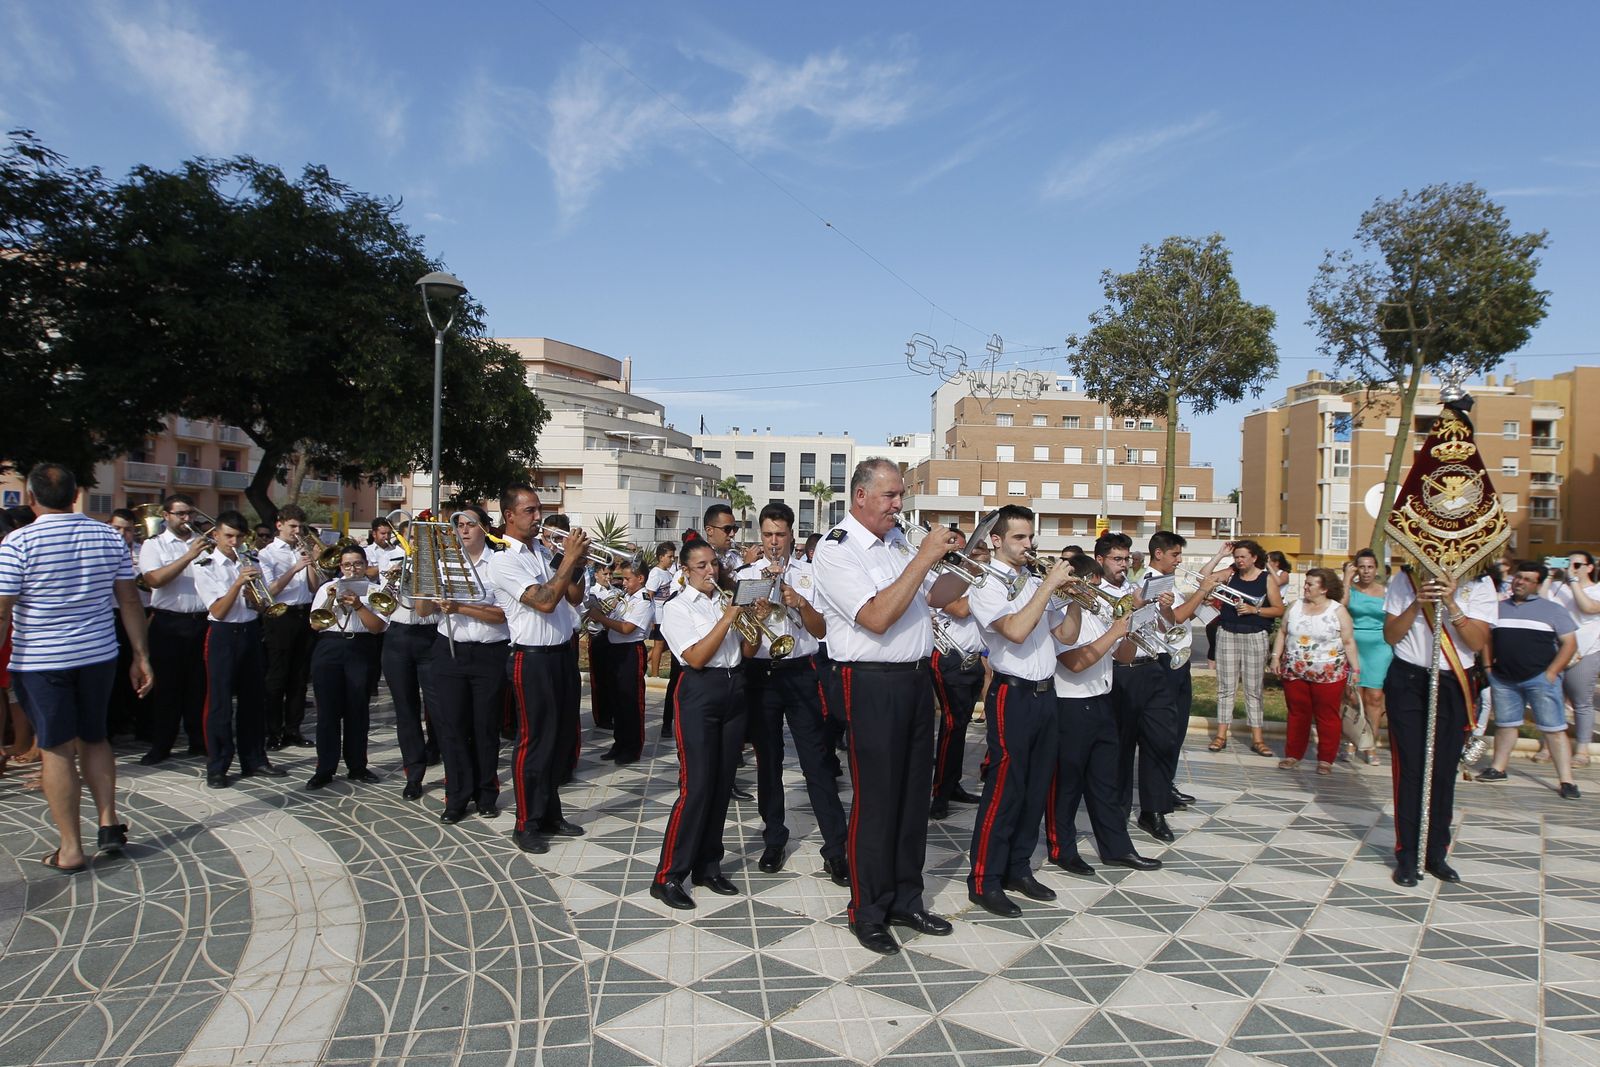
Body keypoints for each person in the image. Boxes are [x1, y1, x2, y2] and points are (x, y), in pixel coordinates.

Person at [812, 458, 962, 954]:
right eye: (890, 496)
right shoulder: (838, 550)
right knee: (876, 801)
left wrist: (969, 562)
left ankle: (906, 898)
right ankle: (868, 909)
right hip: (871, 681)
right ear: (860, 496)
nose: (899, 505)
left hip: (917, 679)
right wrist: (922, 558)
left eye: (900, 496)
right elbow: (875, 617)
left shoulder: (898, 543)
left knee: (913, 797)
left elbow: (939, 597)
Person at [0, 463, 153, 872]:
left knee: (56, 748)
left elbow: (2, 612)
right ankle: (108, 821)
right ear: (74, 496)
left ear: (31, 498)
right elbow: (131, 601)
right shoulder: (108, 536)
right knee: (95, 737)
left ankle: (70, 848)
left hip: (41, 661)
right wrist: (141, 656)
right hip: (98, 655)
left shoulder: (17, 542)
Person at [964, 505, 1072, 917]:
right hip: (1013, 694)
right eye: (1020, 538)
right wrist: (1048, 589)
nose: (1030, 545)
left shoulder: (1033, 581)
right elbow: (1014, 630)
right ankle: (983, 879)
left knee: (1035, 786)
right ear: (996, 540)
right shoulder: (985, 584)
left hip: (1047, 694)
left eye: (1031, 537)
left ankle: (1018, 868)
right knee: (1005, 789)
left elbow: (1065, 634)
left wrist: (1074, 598)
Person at [734, 503, 848, 882]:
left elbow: (820, 631)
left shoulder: (808, 575)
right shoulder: (746, 576)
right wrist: (759, 614)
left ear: (792, 536)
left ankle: (836, 848)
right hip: (761, 674)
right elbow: (743, 639)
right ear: (760, 536)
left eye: (780, 534)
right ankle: (774, 837)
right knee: (768, 762)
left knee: (816, 762)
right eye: (767, 534)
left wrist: (798, 602)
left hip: (800, 672)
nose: (773, 542)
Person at [651, 539, 755, 909]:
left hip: (733, 689)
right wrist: (729, 618)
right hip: (699, 692)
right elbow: (694, 657)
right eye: (701, 566)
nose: (711, 571)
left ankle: (708, 865)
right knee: (695, 787)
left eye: (713, 564)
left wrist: (753, 623)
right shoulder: (677, 607)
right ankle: (668, 875)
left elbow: (747, 651)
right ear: (685, 570)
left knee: (721, 783)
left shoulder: (722, 601)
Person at [1046, 556, 1162, 877]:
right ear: (1077, 584)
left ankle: (1118, 848)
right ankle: (1062, 849)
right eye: (1094, 585)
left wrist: (1128, 629)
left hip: (1101, 702)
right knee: (1066, 786)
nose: (1101, 591)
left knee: (1105, 783)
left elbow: (1122, 658)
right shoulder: (1059, 615)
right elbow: (1075, 662)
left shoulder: (1099, 614)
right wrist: (1114, 631)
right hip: (1070, 706)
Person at [1383, 566, 1494, 886]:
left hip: (1452, 683)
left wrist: (1452, 604)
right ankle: (1407, 856)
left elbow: (1476, 641)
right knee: (1411, 769)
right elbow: (1391, 634)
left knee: (1443, 771)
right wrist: (1418, 602)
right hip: (1409, 678)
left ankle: (1435, 853)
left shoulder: (1480, 583)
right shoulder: (1406, 578)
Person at [496, 489, 588, 852]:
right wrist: (567, 559)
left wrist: (576, 562)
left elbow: (574, 597)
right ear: (509, 516)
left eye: (539, 510)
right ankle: (526, 822)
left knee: (560, 739)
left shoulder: (541, 552)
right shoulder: (502, 561)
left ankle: (550, 812)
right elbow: (545, 602)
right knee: (533, 742)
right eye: (530, 511)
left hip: (562, 655)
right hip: (531, 658)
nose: (538, 517)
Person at [1127, 531, 1223, 841]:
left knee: (1175, 733)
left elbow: (1183, 617)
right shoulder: (1150, 583)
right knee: (1161, 737)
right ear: (1158, 554)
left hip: (1177, 662)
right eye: (1175, 555)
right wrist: (1202, 591)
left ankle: (1164, 787)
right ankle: (1154, 804)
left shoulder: (1167, 581)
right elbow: (1172, 618)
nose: (1179, 560)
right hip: (1160, 663)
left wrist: (1203, 596)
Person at [419, 506, 512, 824]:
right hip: (450, 651)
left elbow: (502, 614)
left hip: (489, 653)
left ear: (485, 527)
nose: (464, 529)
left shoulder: (499, 564)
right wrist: (423, 567)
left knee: (485, 728)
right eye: (459, 524)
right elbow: (420, 611)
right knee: (452, 729)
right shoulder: (444, 563)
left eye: (471, 523)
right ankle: (456, 796)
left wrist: (460, 606)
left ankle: (486, 794)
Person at [191, 511, 285, 788]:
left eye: (239, 537)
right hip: (223, 634)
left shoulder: (251, 560)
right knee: (220, 703)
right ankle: (217, 765)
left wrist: (254, 597)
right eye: (228, 536)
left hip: (250, 632)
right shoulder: (205, 564)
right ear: (216, 535)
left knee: (254, 700)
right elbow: (218, 610)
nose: (233, 541)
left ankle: (254, 757)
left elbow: (262, 604)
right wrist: (237, 584)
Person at [1475, 560, 1581, 798]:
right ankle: (1498, 768)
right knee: (1506, 724)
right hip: (1504, 679)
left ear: (1538, 584)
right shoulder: (1498, 608)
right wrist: (1488, 667)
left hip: (1540, 678)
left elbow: (1570, 644)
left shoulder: (1553, 610)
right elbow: (1487, 639)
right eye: (1518, 577)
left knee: (1554, 729)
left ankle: (1567, 780)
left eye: (1527, 579)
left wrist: (1552, 672)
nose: (1520, 582)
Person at [136, 493, 214, 763]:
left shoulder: (206, 544)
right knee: (167, 688)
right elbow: (154, 579)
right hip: (169, 623)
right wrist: (189, 555)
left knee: (199, 685)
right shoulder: (153, 545)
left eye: (190, 514)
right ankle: (162, 744)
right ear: (166, 516)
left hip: (201, 620)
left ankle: (198, 740)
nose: (187, 519)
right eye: (180, 514)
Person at [305, 543, 390, 790]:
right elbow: (315, 625)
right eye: (347, 565)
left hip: (360, 648)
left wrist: (358, 605)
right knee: (328, 713)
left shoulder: (375, 591)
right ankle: (325, 768)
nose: (352, 569)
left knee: (357, 711)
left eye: (358, 564)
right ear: (340, 567)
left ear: (365, 565)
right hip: (329, 648)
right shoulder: (326, 588)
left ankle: (357, 766)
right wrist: (332, 598)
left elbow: (377, 627)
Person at [374, 528, 441, 801]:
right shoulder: (394, 564)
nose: (416, 543)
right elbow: (383, 608)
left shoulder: (442, 566)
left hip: (432, 635)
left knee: (438, 706)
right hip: (398, 637)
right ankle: (414, 773)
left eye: (423, 539)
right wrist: (393, 582)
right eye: (412, 538)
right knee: (406, 709)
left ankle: (439, 751)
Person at [1272, 568, 1360, 775]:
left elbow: (1348, 641)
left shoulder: (1337, 611)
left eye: (1310, 584)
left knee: (1327, 716)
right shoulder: (1295, 606)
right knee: (1297, 713)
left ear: (1324, 589)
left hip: (1328, 673)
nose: (1305, 587)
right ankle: (1293, 754)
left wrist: (1355, 669)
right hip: (1295, 670)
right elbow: (1283, 633)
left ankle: (1326, 758)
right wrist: (1276, 657)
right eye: (1306, 583)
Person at [1207, 539, 1285, 756]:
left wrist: (1255, 610)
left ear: (1254, 558)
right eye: (1236, 556)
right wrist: (1220, 556)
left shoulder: (1266, 579)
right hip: (1228, 633)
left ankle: (1257, 739)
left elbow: (1279, 609)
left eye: (1243, 557)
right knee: (1226, 687)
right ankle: (1221, 734)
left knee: (1253, 689)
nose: (1239, 560)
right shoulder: (1230, 574)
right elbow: (1205, 577)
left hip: (1254, 634)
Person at [929, 539, 987, 821]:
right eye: (973, 554)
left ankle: (952, 785)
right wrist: (983, 586)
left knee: (960, 729)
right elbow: (959, 609)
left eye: (982, 554)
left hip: (974, 661)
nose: (978, 559)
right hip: (950, 658)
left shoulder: (984, 582)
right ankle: (940, 793)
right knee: (951, 727)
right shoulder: (946, 580)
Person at [257, 505, 320, 749]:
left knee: (299, 677)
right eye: (292, 526)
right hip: (280, 615)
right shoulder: (268, 554)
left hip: (303, 614)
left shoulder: (301, 550)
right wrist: (295, 568)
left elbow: (314, 587)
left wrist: (312, 563)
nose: (297, 531)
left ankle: (293, 729)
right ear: (279, 525)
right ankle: (272, 731)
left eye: (299, 527)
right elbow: (268, 591)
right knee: (277, 676)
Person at [586, 556, 653, 764]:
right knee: (617, 699)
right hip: (615, 649)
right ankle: (619, 743)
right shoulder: (626, 598)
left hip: (631, 651)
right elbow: (613, 624)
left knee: (631, 702)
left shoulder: (643, 600)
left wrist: (600, 617)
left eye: (627, 579)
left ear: (640, 578)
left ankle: (632, 748)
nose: (623, 583)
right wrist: (603, 615)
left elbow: (626, 628)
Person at [1547, 549, 1600, 767]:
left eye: (1578, 565)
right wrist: (1549, 575)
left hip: (1586, 650)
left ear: (1590, 567)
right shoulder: (1558, 587)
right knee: (1552, 700)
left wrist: (1573, 580)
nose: (1572, 568)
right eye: (1569, 563)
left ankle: (1582, 750)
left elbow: (1587, 607)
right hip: (1556, 651)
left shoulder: (1597, 590)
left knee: (1581, 702)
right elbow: (1543, 604)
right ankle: (1548, 747)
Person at [106, 508, 149, 741]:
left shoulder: (143, 553)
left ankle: (139, 723)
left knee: (139, 670)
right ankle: (113, 724)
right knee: (114, 674)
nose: (122, 534)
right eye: (117, 528)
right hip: (111, 615)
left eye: (128, 530)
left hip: (141, 615)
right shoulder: (102, 552)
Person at [645, 542, 678, 680]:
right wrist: (650, 617)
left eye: (673, 556)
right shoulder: (655, 573)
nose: (672, 559)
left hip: (667, 615)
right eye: (669, 556)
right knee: (658, 644)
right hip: (658, 615)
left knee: (666, 644)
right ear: (661, 557)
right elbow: (649, 595)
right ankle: (655, 674)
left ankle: (643, 661)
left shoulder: (668, 574)